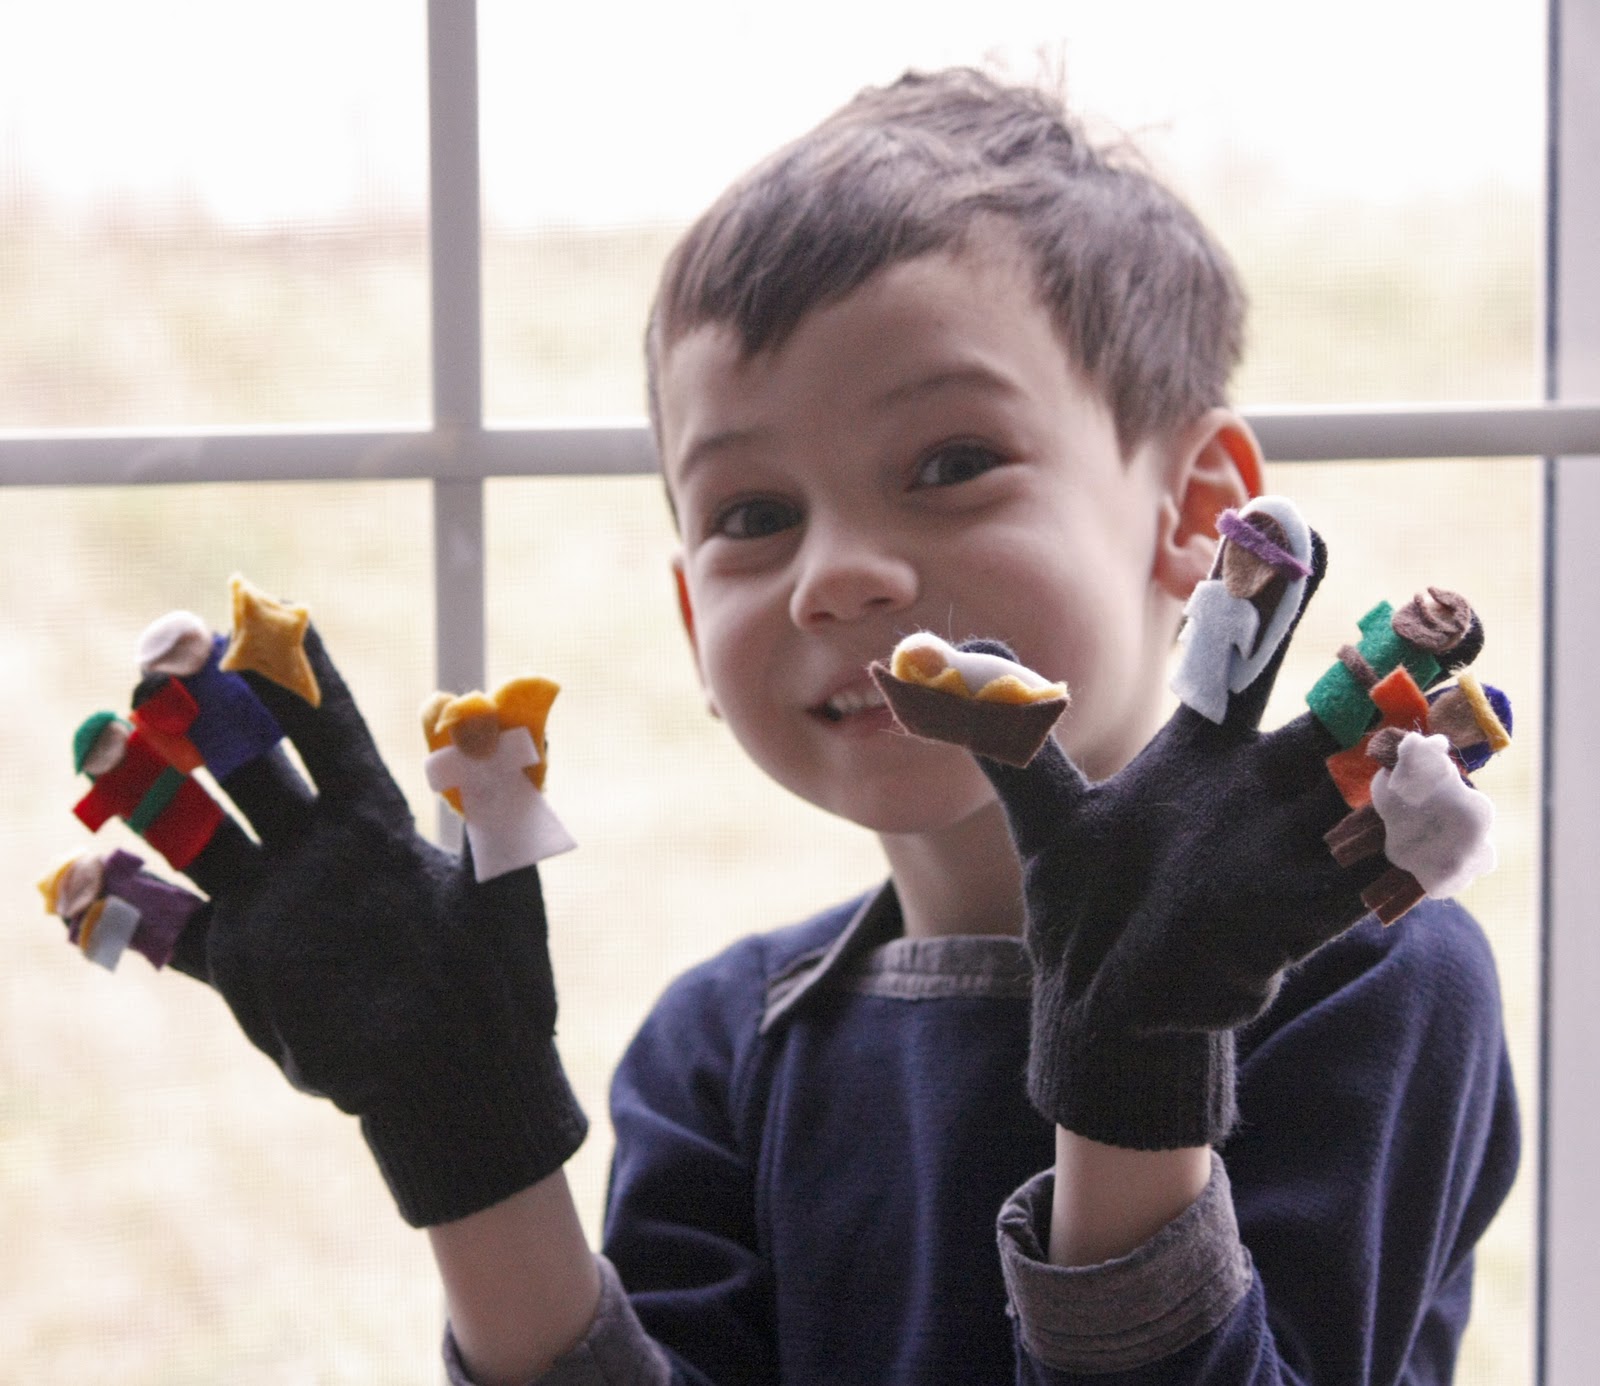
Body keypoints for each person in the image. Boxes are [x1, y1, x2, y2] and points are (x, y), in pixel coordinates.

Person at [66, 67, 1520, 1384]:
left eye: (952, 462)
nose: (837, 575)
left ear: (1201, 520)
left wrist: (1137, 1076)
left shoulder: (1368, 979)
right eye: (754, 515)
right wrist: (470, 1147)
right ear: (698, 629)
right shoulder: (720, 1048)